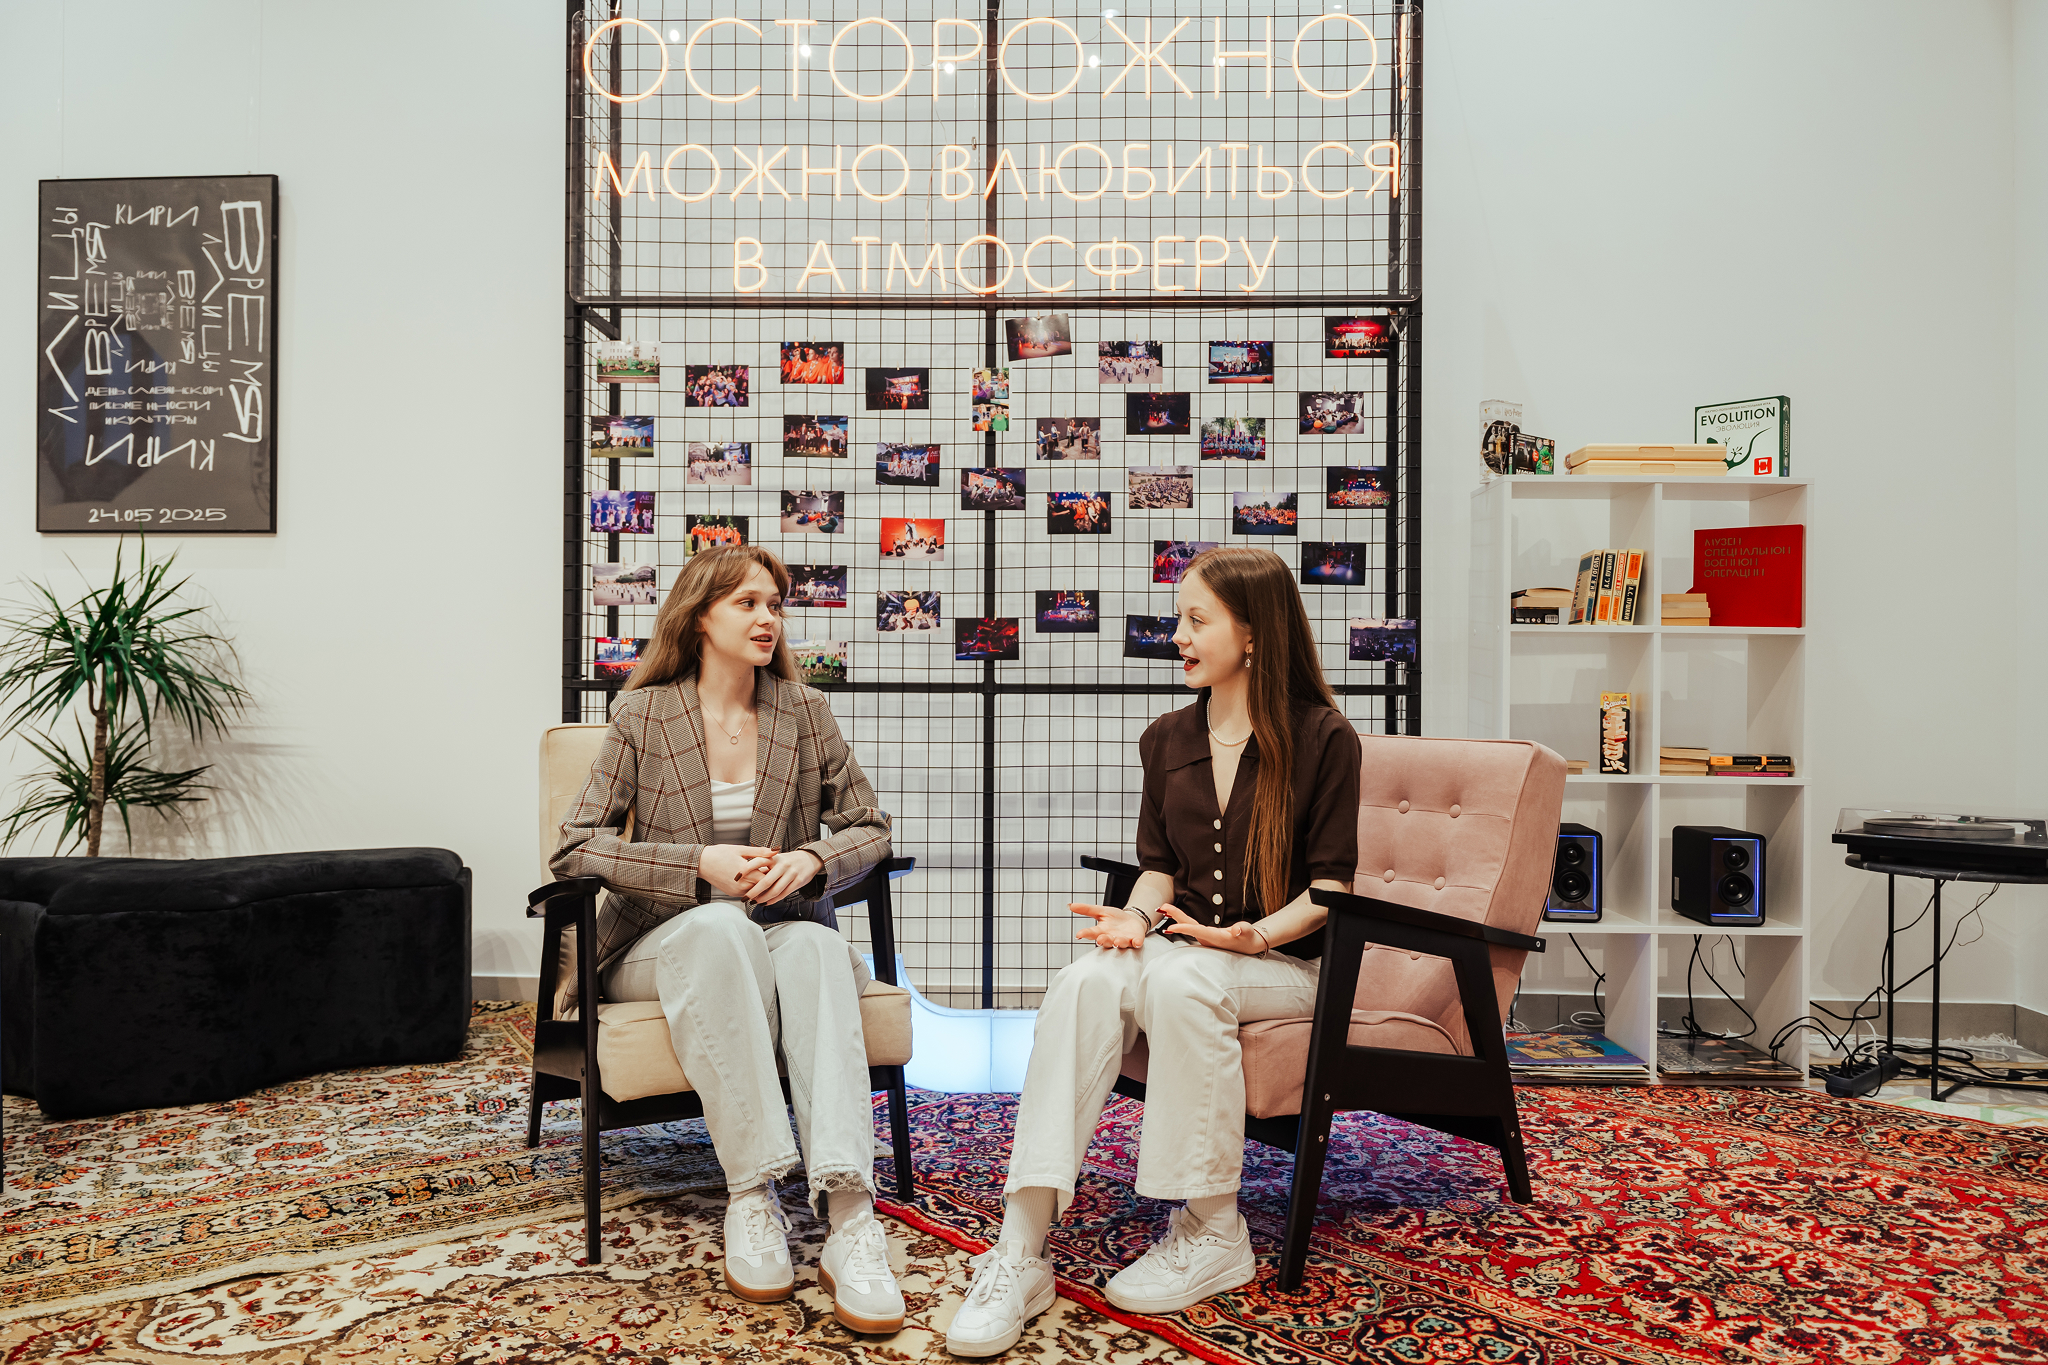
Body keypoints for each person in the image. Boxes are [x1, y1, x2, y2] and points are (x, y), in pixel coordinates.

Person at [945, 545, 1361, 1358]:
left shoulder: (1324, 737)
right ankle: (1019, 1248)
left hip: (1289, 967)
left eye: (1196, 619)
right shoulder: (1167, 736)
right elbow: (1159, 868)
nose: (1178, 635)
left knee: (1187, 979)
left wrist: (1254, 935)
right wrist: (1135, 920)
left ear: (1254, 632)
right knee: (1086, 979)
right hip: (1188, 952)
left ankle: (1213, 1228)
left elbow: (1330, 890)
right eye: (1179, 618)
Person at [552, 544, 906, 1335]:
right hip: (660, 941)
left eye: (774, 603)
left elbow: (871, 828)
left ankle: (851, 1216)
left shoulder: (804, 711)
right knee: (717, 927)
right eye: (747, 602)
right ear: (700, 616)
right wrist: (695, 863)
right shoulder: (644, 714)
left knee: (817, 947)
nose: (767, 617)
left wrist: (813, 859)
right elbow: (575, 848)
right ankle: (753, 1191)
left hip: (775, 932)